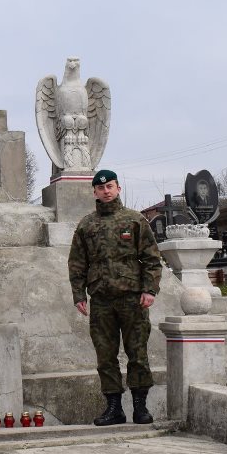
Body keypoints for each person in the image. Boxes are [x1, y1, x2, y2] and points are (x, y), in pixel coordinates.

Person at [69, 169, 162, 426]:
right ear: (95, 192)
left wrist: (149, 290)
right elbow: (77, 263)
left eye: (110, 186)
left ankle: (140, 408)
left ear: (118, 188)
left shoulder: (135, 221)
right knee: (105, 356)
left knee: (138, 353)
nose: (106, 191)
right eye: (101, 188)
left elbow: (152, 259)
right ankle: (114, 409)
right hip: (101, 301)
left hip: (132, 299)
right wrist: (79, 294)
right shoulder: (87, 225)